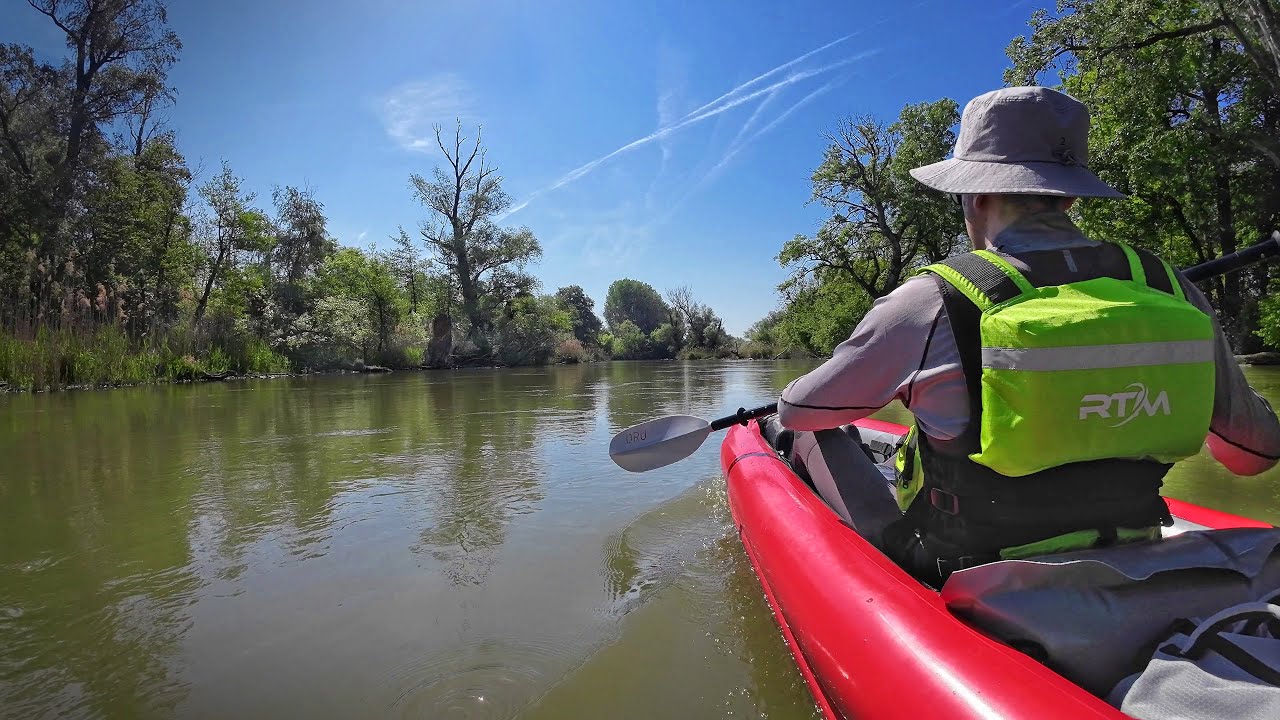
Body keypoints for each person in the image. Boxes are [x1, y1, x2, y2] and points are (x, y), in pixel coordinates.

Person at [772, 86, 1280, 586]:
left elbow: (799, 409)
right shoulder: (1173, 290)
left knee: (811, 430)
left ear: (975, 194)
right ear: (1071, 195)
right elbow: (1252, 455)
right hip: (1132, 546)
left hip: (966, 571)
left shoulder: (932, 300)